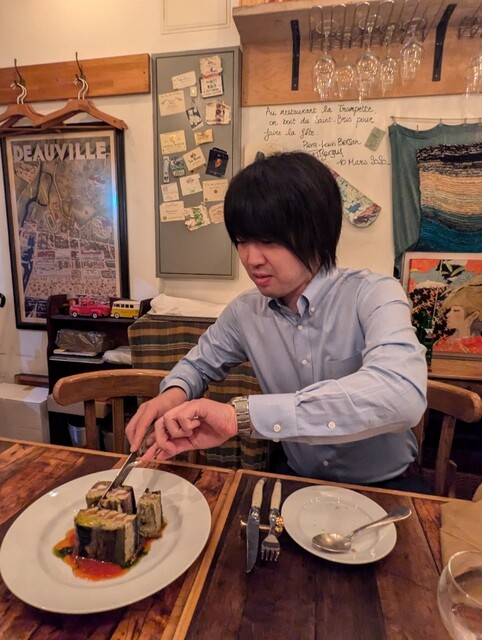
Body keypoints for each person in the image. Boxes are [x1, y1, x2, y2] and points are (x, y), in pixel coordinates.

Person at [126, 152, 428, 491]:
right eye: (242, 240)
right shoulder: (245, 312)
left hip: (387, 485)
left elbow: (402, 394)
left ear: (317, 231)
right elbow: (198, 366)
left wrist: (240, 416)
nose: (251, 259)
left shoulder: (374, 293)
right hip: (298, 481)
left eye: (269, 240)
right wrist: (171, 396)